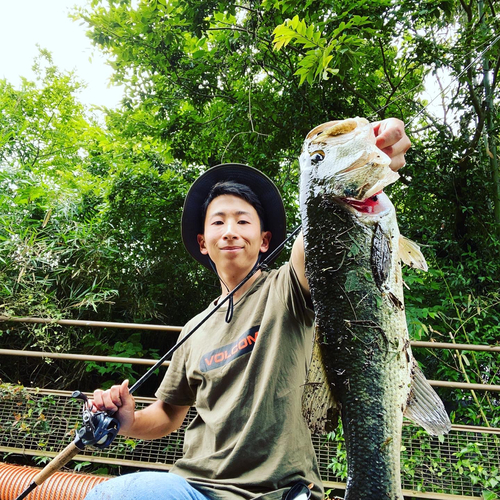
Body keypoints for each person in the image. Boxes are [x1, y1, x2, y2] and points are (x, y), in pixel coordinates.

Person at [85, 119, 410, 500]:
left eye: (243, 220)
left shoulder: (287, 287)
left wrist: (371, 153)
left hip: (280, 492)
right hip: (193, 488)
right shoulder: (193, 329)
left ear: (265, 239)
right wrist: (128, 421)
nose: (231, 230)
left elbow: (323, 236)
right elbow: (168, 415)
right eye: (218, 222)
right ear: (204, 243)